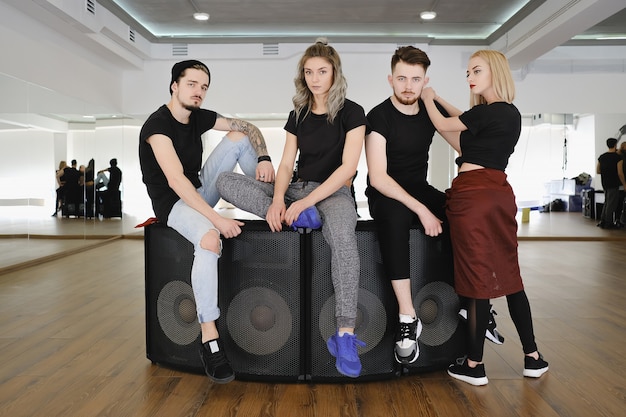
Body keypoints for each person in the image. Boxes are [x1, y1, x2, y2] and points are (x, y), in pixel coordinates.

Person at [217, 38, 368, 378]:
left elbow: (347, 169)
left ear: (335, 73)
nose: (315, 79)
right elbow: (286, 165)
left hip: (334, 193)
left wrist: (306, 202)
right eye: (309, 72)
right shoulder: (297, 114)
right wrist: (276, 201)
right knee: (226, 181)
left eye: (323, 72)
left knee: (344, 239)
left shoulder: (353, 112)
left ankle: (344, 333)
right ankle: (299, 217)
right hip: (296, 190)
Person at [139, 59, 275, 383]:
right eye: (192, 84)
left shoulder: (199, 116)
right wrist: (217, 219)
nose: (198, 91)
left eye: (203, 86)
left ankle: (277, 201)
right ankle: (209, 339)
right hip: (173, 203)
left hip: (199, 187)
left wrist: (266, 158)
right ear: (174, 85)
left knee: (239, 137)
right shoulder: (156, 126)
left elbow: (248, 128)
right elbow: (176, 182)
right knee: (209, 239)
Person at [365, 46, 503, 365]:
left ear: (425, 80)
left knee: (463, 214)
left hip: (419, 187)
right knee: (397, 218)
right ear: (391, 79)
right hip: (386, 193)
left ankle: (474, 303)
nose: (408, 86)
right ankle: (407, 317)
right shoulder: (378, 116)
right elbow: (378, 178)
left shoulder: (430, 112)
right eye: (402, 78)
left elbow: (466, 145)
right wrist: (422, 210)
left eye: (416, 79)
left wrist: (435, 100)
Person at [420, 49, 548, 386]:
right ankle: (533, 357)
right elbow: (461, 132)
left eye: (477, 70)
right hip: (499, 194)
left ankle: (475, 365)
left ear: (496, 72)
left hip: (473, 197)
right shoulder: (506, 115)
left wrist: (428, 97)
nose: (470, 77)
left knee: (478, 282)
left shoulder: (488, 113)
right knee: (510, 277)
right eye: (468, 72)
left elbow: (443, 124)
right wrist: (442, 100)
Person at [596, 138, 621, 229]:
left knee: (607, 201)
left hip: (605, 182)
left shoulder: (602, 157)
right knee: (611, 203)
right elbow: (620, 172)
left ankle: (602, 220)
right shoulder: (617, 157)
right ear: (615, 145)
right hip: (614, 182)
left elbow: (598, 171)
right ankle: (608, 222)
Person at [616, 141, 626, 226]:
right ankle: (618, 219)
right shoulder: (620, 157)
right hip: (622, 182)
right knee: (620, 202)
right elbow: (620, 172)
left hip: (621, 183)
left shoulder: (619, 156)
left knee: (620, 202)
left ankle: (619, 219)